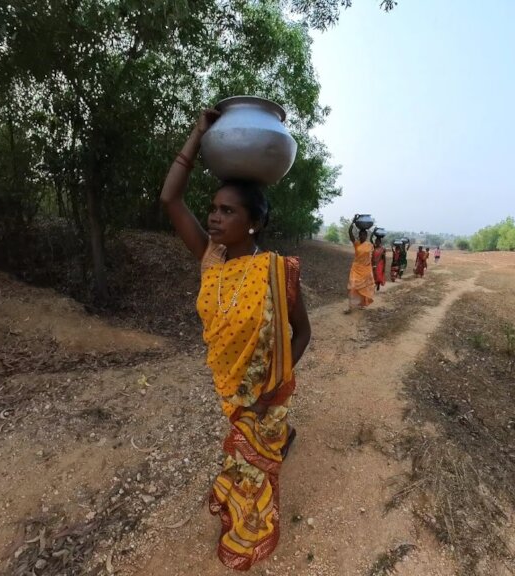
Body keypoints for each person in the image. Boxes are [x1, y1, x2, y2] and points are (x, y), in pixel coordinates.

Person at [160, 109, 312, 571]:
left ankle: (247, 537)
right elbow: (170, 198)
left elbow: (302, 332)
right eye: (213, 208)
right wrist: (198, 133)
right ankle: (279, 440)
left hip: (266, 396)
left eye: (228, 210)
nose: (215, 217)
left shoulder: (275, 271)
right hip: (228, 389)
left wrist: (274, 387)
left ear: (253, 223)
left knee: (251, 471)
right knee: (247, 453)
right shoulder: (211, 260)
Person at [346, 215, 376, 311]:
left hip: (366, 269)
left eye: (364, 235)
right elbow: (350, 232)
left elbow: (371, 258)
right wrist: (353, 222)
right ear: (359, 235)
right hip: (356, 268)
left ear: (366, 236)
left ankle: (362, 303)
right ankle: (350, 306)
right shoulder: (356, 244)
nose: (362, 236)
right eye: (360, 235)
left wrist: (372, 268)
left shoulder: (370, 245)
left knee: (364, 287)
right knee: (353, 286)